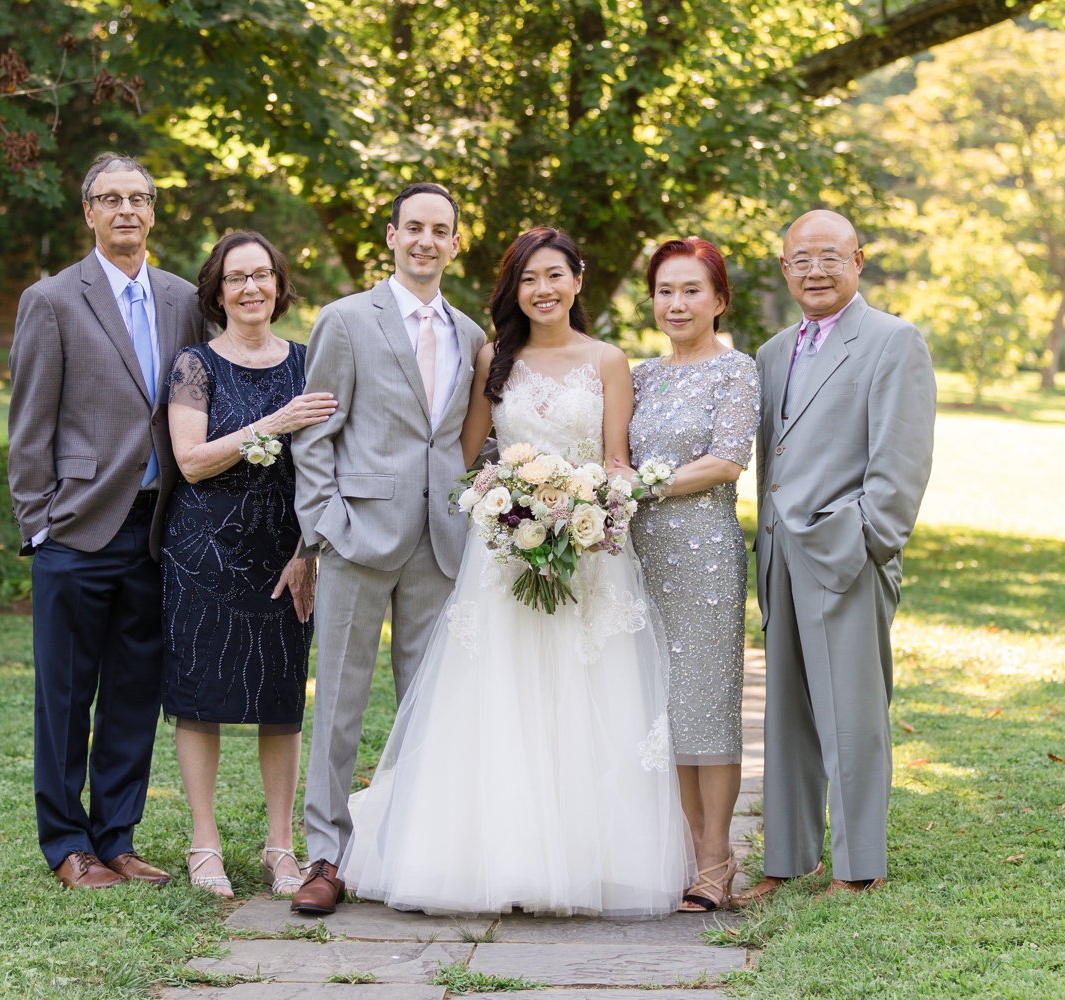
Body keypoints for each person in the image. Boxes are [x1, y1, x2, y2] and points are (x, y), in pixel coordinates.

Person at [337, 227, 692, 917]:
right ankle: (493, 861)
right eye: (529, 279)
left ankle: (584, 864)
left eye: (555, 275)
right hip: (503, 560)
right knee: (500, 701)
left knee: (587, 701)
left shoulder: (609, 360)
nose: (544, 290)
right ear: (514, 289)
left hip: (587, 560)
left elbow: (616, 460)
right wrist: (502, 505)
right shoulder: (493, 357)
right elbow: (470, 456)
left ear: (577, 281)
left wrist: (588, 506)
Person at [8, 153, 207, 889]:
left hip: (158, 531)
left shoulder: (185, 299)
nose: (127, 210)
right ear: (87, 212)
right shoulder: (54, 300)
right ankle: (67, 846)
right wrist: (38, 524)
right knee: (64, 695)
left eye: (139, 198)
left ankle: (117, 837)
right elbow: (30, 425)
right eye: (110, 198)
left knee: (134, 690)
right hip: (77, 528)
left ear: (154, 212)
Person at [289, 183, 489, 914]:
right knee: (340, 700)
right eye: (414, 228)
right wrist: (324, 523)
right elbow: (315, 430)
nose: (426, 241)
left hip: (442, 542)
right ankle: (325, 856)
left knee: (427, 706)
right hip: (357, 535)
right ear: (391, 235)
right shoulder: (345, 321)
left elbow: (465, 438)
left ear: (456, 243)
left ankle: (412, 850)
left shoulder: (471, 335)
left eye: (441, 230)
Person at [737, 210, 935, 900]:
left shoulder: (892, 341)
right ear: (784, 268)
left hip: (845, 554)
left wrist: (866, 544)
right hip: (779, 556)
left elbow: (900, 463)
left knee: (852, 717)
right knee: (785, 715)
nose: (815, 270)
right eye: (801, 259)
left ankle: (860, 867)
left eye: (830, 256)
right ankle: (788, 859)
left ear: (859, 259)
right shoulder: (770, 352)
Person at [161, 231, 337, 898]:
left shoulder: (307, 362)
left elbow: (326, 467)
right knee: (200, 697)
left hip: (284, 553)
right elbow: (191, 460)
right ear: (217, 290)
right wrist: (278, 421)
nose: (252, 288)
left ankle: (280, 847)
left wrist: (307, 553)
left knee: (281, 698)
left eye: (262, 275)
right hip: (203, 551)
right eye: (237, 277)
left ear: (279, 284)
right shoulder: (194, 365)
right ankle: (203, 843)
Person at [628, 237, 761, 910]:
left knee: (708, 708)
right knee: (666, 708)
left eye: (690, 290)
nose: (676, 303)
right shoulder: (641, 375)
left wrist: (642, 489)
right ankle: (686, 844)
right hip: (640, 557)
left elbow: (727, 461)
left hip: (704, 555)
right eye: (664, 291)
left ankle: (717, 856)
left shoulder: (735, 371)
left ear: (718, 299)